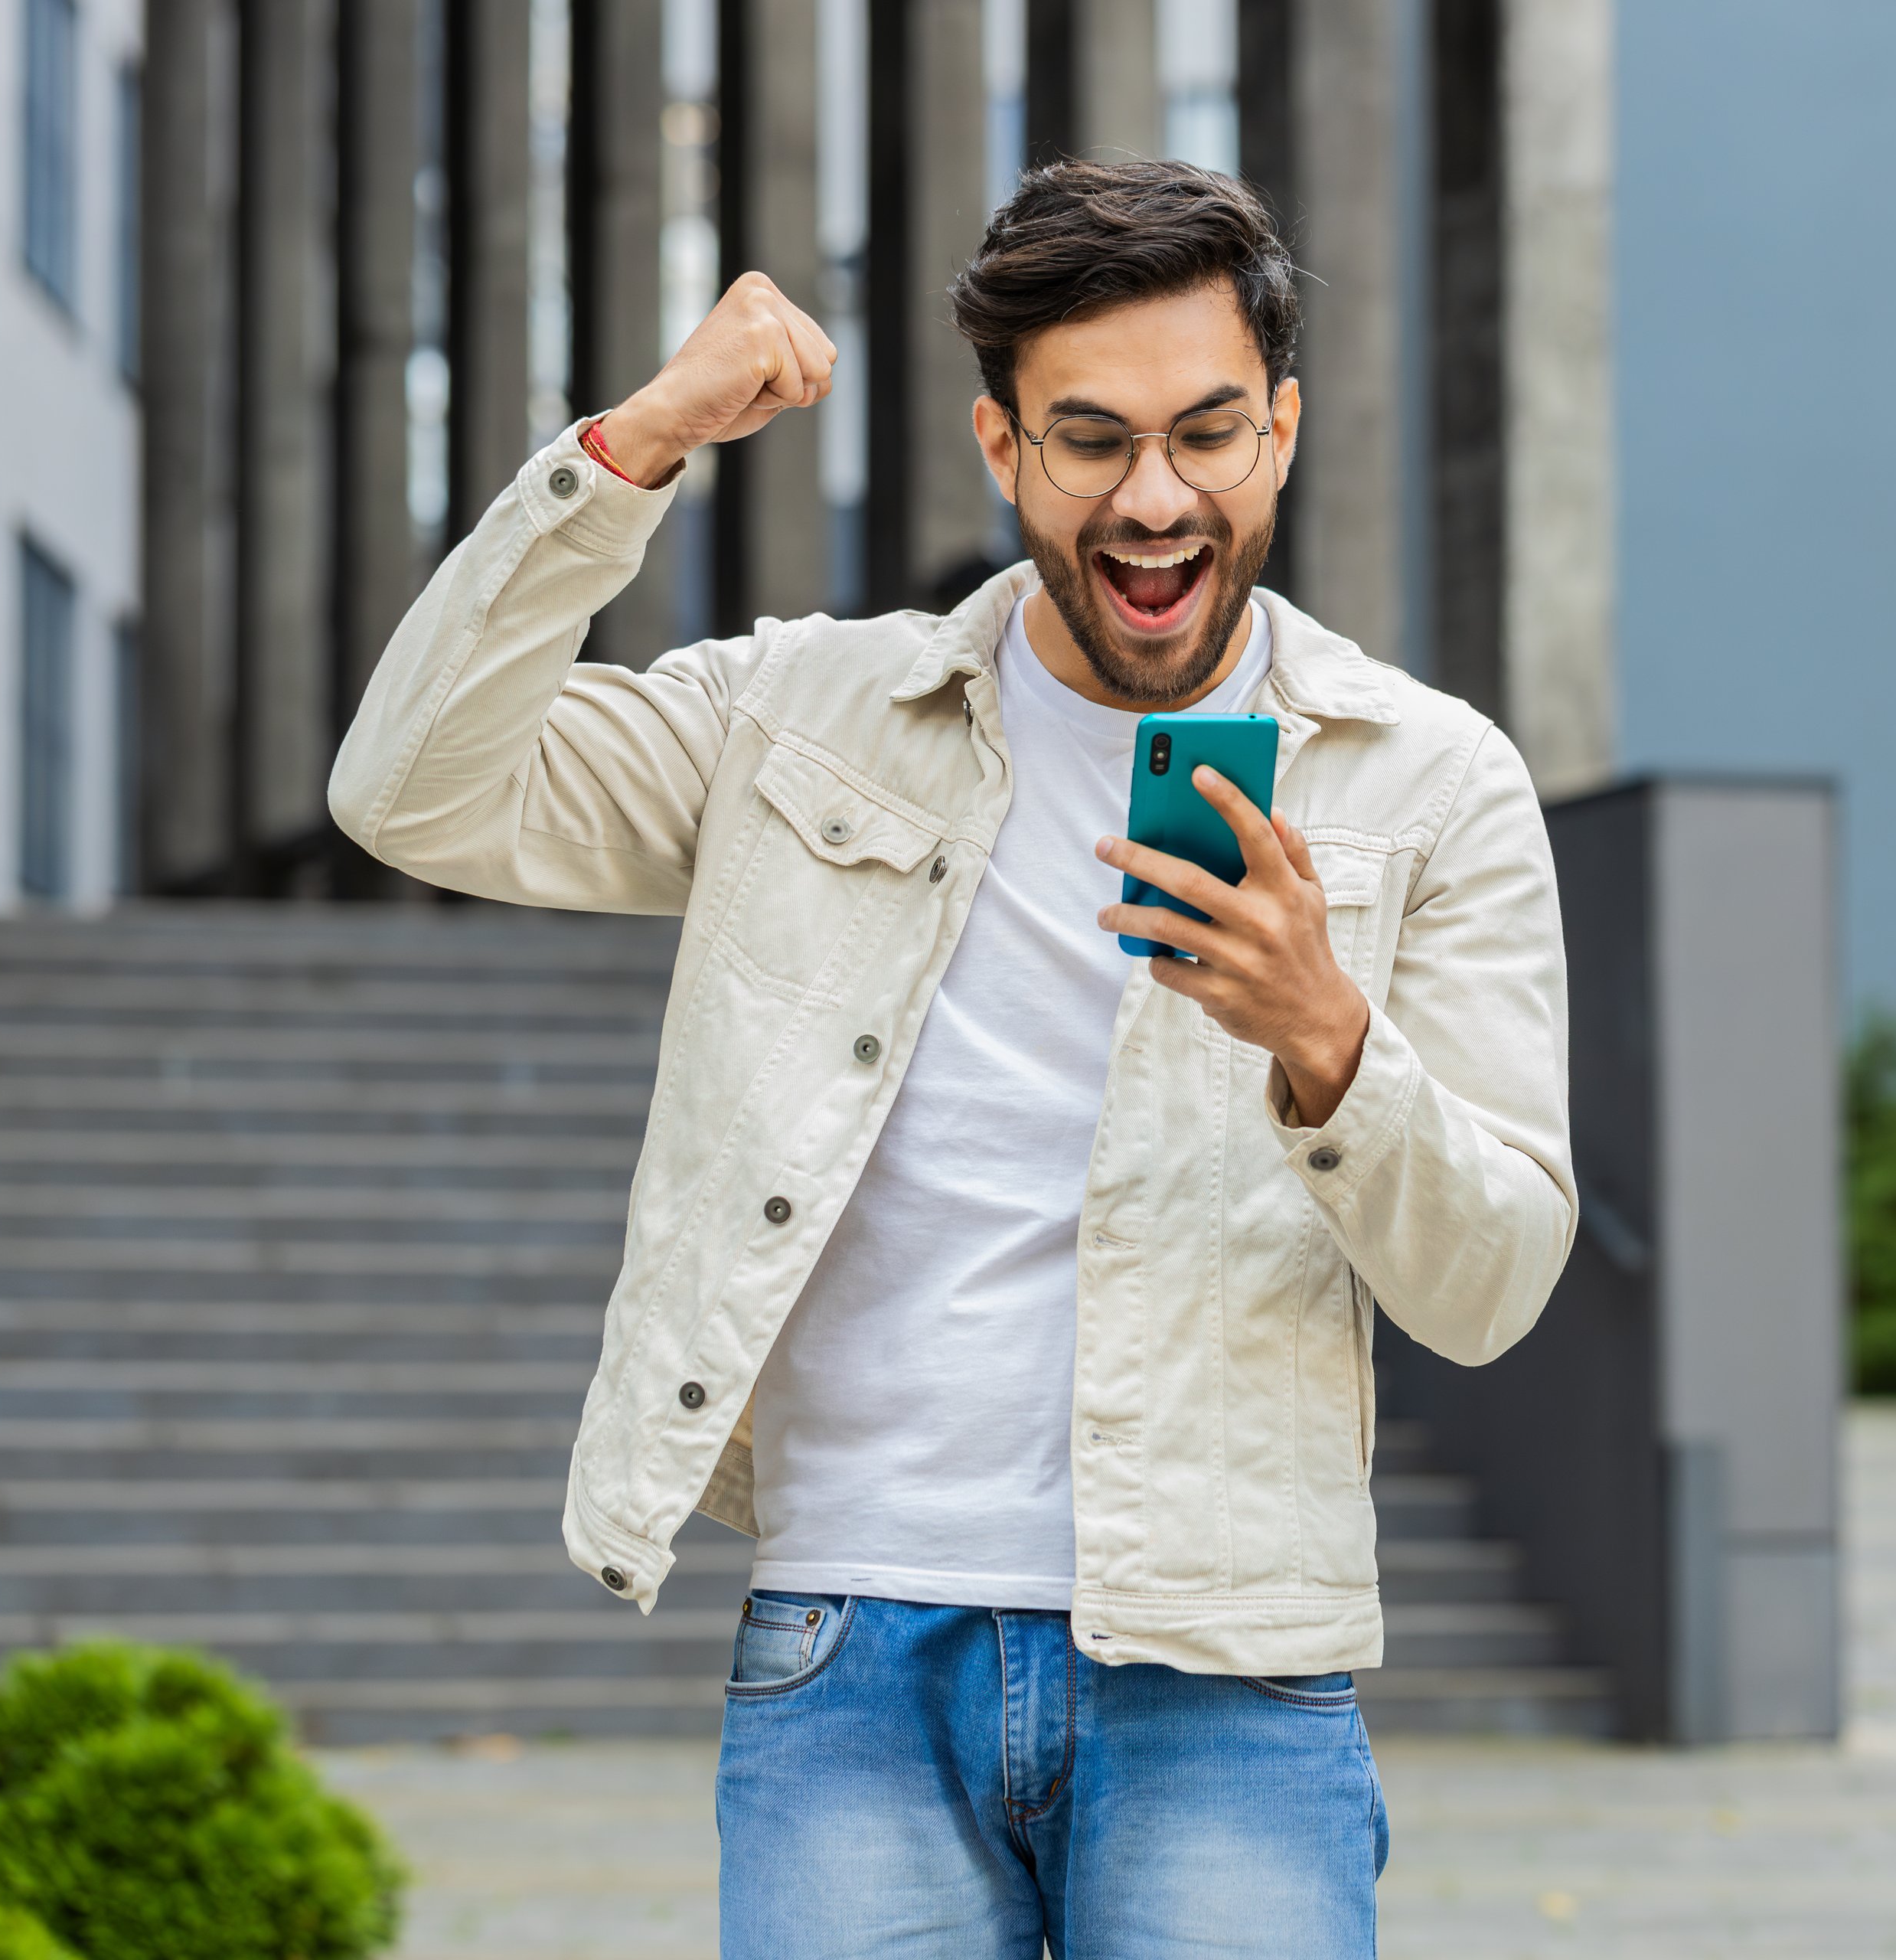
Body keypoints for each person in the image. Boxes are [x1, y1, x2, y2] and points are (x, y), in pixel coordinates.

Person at [331, 158, 1573, 1958]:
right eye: (1091, 443)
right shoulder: (798, 715)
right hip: (853, 1639)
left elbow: (1500, 1278)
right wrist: (636, 446)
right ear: (1005, 453)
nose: (1155, 500)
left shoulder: (1430, 780)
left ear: (1284, 431)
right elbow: (411, 789)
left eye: (1208, 433)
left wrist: (1329, 1043)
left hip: (1226, 1666)